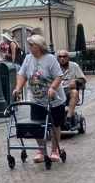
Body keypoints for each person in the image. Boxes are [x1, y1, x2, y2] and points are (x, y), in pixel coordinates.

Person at [12, 34, 65, 162]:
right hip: (36, 99)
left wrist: (52, 88)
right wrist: (18, 88)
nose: (29, 47)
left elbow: (58, 76)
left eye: (32, 45)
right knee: (37, 125)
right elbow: (22, 75)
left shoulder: (50, 59)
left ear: (40, 47)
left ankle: (54, 151)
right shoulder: (28, 58)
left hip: (53, 99)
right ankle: (41, 150)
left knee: (54, 125)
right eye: (29, 44)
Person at [56, 49, 86, 129]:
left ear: (68, 58)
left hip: (68, 90)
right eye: (60, 56)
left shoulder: (74, 66)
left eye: (64, 56)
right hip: (56, 90)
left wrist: (75, 80)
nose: (62, 58)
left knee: (75, 92)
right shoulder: (54, 66)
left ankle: (68, 118)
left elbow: (83, 80)